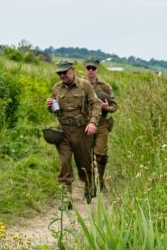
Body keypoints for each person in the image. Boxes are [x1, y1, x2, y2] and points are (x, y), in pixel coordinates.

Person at [46, 60, 101, 204]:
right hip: (63, 131)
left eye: (64, 72)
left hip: (82, 131)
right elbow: (54, 110)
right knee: (64, 163)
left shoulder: (85, 86)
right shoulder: (56, 88)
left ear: (72, 70)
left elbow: (95, 105)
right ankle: (66, 199)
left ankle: (89, 188)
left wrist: (92, 122)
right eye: (59, 73)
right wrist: (49, 106)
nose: (62, 75)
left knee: (84, 163)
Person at [83, 58, 117, 192]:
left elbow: (115, 106)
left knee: (101, 155)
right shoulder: (80, 84)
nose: (91, 71)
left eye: (93, 68)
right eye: (88, 68)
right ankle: (90, 184)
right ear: (85, 69)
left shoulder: (105, 86)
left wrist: (106, 107)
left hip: (101, 124)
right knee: (86, 156)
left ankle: (101, 179)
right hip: (85, 124)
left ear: (97, 70)